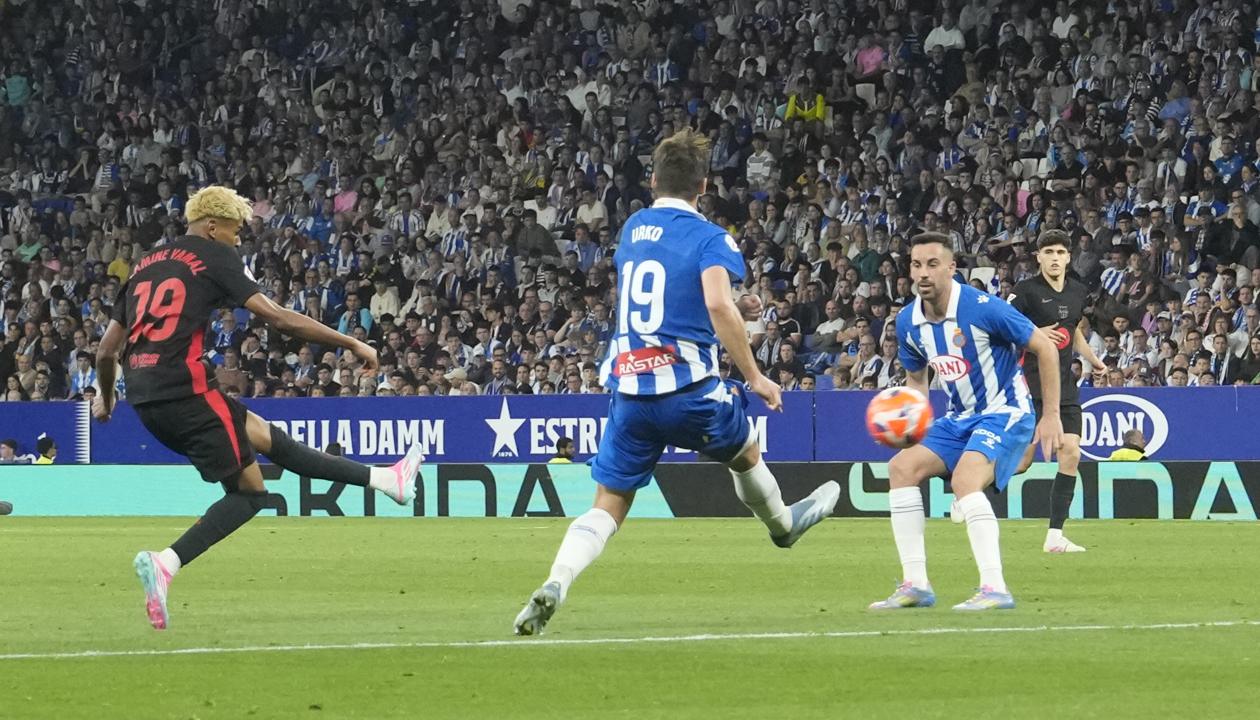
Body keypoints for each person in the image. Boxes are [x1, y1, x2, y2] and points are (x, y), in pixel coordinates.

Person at [513, 130, 840, 635]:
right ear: (703, 185)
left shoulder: (635, 229)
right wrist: (754, 375)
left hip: (630, 392)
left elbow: (670, 298)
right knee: (745, 452)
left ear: (652, 181)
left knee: (608, 504)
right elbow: (712, 302)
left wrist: (734, 304)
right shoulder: (712, 237)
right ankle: (783, 526)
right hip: (688, 391)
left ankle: (557, 580)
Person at [93, 186, 424, 631]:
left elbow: (105, 352)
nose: (238, 240)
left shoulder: (145, 265)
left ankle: (388, 480)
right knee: (250, 494)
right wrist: (350, 341)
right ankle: (166, 562)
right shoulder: (214, 257)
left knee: (268, 438)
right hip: (187, 390)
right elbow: (279, 316)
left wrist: (107, 399)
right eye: (234, 230)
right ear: (212, 225)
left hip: (146, 396)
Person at [869, 232, 1063, 612]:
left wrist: (1051, 415)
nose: (922, 273)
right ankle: (916, 585)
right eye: (916, 265)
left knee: (965, 480)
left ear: (952, 268)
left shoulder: (983, 307)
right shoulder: (908, 321)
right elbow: (917, 379)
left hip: (1006, 410)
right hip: (959, 418)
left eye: (932, 264)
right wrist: (912, 427)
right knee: (901, 468)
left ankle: (994, 587)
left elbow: (1044, 346)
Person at [1005, 230, 1106, 553]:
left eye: (1060, 252)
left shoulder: (1078, 291)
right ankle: (967, 491)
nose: (1054, 258)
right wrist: (1031, 333)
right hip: (1032, 384)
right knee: (1022, 462)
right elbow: (1002, 326)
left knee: (1072, 452)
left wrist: (1093, 359)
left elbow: (1072, 329)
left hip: (1065, 385)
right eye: (1048, 252)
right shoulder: (1025, 292)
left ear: (1068, 256)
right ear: (1038, 257)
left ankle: (1055, 536)